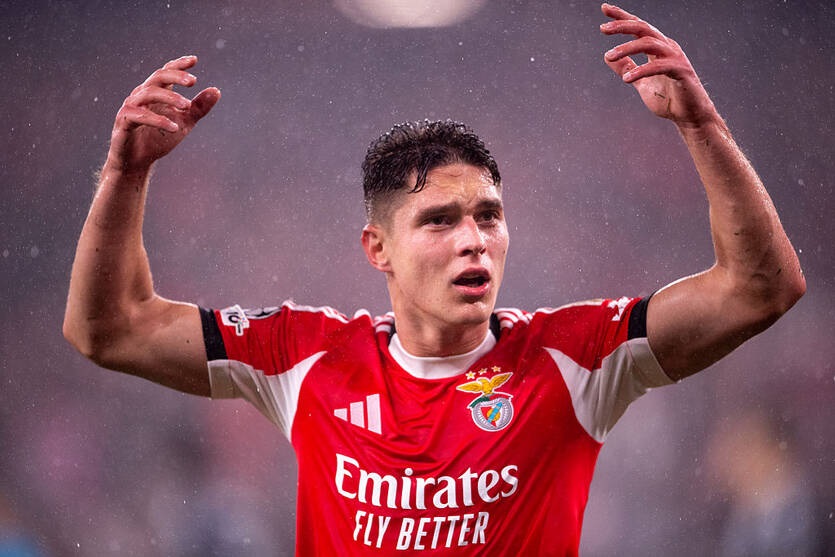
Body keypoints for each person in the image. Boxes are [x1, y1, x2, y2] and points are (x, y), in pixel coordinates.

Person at [63, 4, 805, 555]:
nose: (473, 239)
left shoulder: (576, 355)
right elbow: (107, 329)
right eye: (439, 220)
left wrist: (702, 128)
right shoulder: (303, 355)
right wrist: (127, 174)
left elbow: (760, 288)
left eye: (488, 216)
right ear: (377, 249)